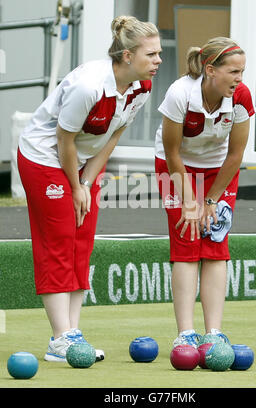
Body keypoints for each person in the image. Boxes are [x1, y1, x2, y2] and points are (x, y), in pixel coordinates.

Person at [18, 15, 162, 362]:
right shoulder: (90, 86)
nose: (158, 61)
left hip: (82, 163)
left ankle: (73, 336)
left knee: (81, 240)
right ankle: (59, 339)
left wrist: (85, 182)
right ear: (128, 56)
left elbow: (112, 137)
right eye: (151, 55)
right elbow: (63, 140)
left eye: (159, 54)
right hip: (44, 158)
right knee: (58, 240)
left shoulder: (141, 86)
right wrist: (75, 184)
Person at [155, 37, 256, 348]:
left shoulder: (240, 96)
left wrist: (210, 199)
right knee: (186, 243)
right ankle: (185, 333)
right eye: (233, 71)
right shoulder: (180, 93)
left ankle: (214, 333)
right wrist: (189, 201)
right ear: (211, 70)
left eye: (242, 71)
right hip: (176, 166)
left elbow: (235, 155)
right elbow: (172, 153)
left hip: (217, 170)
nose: (240, 79)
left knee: (215, 243)